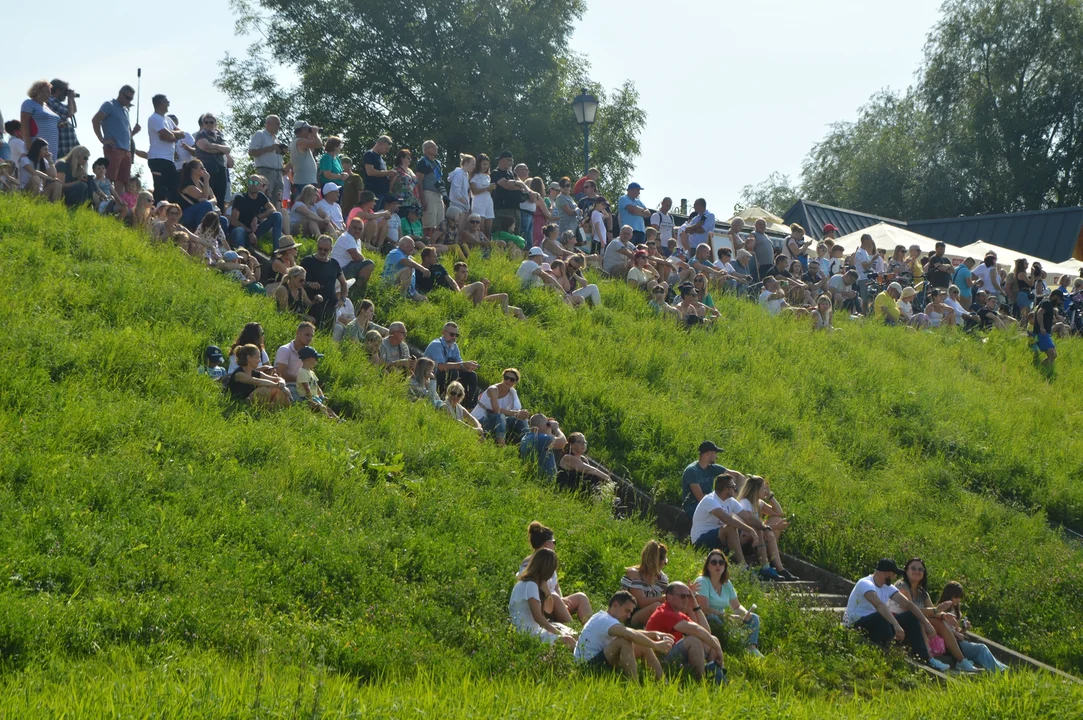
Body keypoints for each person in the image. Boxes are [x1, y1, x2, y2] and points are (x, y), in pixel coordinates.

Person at [843, 559, 950, 671]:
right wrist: (896, 625)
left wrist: (926, 623)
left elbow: (908, 604)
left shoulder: (887, 587)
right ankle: (891, 647)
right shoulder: (865, 583)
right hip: (858, 624)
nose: (894, 577)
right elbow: (879, 605)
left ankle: (927, 658)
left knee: (911, 615)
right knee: (881, 615)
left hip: (877, 624)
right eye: (893, 574)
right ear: (886, 573)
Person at [893, 559, 978, 672]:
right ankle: (929, 658)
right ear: (906, 571)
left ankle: (961, 660)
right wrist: (936, 612)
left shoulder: (922, 592)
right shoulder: (902, 585)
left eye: (920, 569)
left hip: (914, 623)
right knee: (920, 619)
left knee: (938, 622)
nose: (917, 571)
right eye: (913, 568)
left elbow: (933, 611)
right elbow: (911, 609)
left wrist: (943, 615)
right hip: (898, 622)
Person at [689, 473, 779, 579]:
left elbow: (748, 518)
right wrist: (749, 529)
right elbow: (727, 519)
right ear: (726, 490)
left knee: (757, 528)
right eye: (733, 487)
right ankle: (743, 567)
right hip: (701, 540)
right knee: (731, 528)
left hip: (720, 537)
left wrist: (764, 528)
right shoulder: (711, 500)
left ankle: (765, 567)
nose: (736, 489)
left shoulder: (730, 501)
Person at [573, 591, 672, 683]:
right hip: (587, 668)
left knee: (643, 645)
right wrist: (656, 645)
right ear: (615, 605)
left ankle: (664, 683)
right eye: (627, 610)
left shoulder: (604, 617)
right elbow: (628, 634)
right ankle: (634, 686)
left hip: (598, 661)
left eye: (630, 612)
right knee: (624, 641)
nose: (628, 616)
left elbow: (631, 632)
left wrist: (654, 634)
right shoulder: (605, 620)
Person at [644, 582, 726, 683]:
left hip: (672, 656)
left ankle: (715, 679)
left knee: (712, 640)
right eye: (683, 596)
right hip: (659, 663)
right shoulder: (664, 613)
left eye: (688, 596)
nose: (687, 600)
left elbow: (706, 632)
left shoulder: (678, 614)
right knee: (693, 641)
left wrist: (695, 605)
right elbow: (697, 630)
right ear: (669, 597)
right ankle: (701, 682)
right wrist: (719, 649)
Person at [692, 550, 763, 658]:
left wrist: (745, 613)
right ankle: (731, 646)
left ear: (725, 566)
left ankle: (751, 648)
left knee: (754, 618)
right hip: (706, 619)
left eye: (721, 562)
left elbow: (736, 606)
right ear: (708, 566)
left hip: (723, 618)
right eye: (714, 562)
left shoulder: (726, 583)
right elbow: (704, 608)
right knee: (713, 619)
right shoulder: (702, 581)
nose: (718, 565)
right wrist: (727, 617)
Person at [519, 522, 592, 623]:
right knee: (554, 597)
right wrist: (556, 599)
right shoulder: (529, 562)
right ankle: (573, 631)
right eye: (554, 542)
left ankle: (589, 629)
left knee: (581, 597)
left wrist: (561, 600)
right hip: (541, 604)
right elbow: (529, 584)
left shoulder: (549, 560)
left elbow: (556, 586)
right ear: (547, 543)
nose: (554, 545)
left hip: (555, 601)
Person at [508, 549, 577, 650]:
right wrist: (558, 632)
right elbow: (538, 618)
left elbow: (548, 610)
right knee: (568, 640)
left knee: (573, 635)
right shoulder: (530, 585)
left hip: (532, 629)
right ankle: (585, 662)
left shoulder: (532, 584)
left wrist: (548, 594)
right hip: (527, 632)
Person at [936, 582, 1010, 672]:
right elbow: (941, 629)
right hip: (949, 644)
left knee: (981, 648)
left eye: (959, 597)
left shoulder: (956, 611)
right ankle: (1000, 670)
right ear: (948, 596)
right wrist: (955, 633)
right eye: (956, 597)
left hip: (958, 642)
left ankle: (1003, 668)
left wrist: (964, 629)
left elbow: (958, 634)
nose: (958, 600)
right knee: (981, 648)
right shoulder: (940, 610)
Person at [735, 475, 795, 579]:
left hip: (755, 535)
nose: (766, 491)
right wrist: (775, 526)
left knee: (775, 519)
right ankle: (767, 567)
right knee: (765, 529)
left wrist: (771, 496)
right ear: (755, 490)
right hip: (742, 537)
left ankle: (780, 569)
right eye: (763, 488)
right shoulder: (745, 502)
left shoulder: (758, 503)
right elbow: (750, 525)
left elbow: (779, 513)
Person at [91, 85, 139, 189]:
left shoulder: (126, 110)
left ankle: (118, 203)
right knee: (110, 178)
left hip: (126, 150)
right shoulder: (109, 105)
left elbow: (127, 133)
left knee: (123, 180)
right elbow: (95, 120)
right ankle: (107, 201)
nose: (129, 101)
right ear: (121, 94)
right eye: (127, 98)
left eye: (131, 99)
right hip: (114, 148)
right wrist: (102, 139)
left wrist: (134, 132)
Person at [423, 322, 478, 406]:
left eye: (456, 335)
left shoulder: (454, 346)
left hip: (445, 374)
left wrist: (468, 366)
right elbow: (441, 366)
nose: (454, 338)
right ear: (443, 333)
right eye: (452, 334)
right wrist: (462, 365)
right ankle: (444, 399)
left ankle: (468, 403)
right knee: (452, 371)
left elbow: (460, 364)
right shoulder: (436, 345)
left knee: (471, 375)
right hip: (431, 375)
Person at [471, 368, 529, 446]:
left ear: (515, 382)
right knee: (500, 416)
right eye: (506, 378)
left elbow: (517, 409)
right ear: (503, 378)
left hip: (498, 422)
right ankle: (501, 445)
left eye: (511, 379)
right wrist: (515, 413)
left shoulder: (512, 392)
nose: (508, 381)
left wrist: (522, 414)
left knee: (522, 420)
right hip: (480, 419)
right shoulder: (493, 389)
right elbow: (496, 410)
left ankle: (527, 443)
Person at [301, 235, 349, 326]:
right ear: (317, 246)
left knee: (328, 333)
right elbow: (297, 281)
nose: (322, 252)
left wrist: (342, 299)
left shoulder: (334, 263)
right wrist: (308, 284)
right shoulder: (307, 261)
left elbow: (344, 283)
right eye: (320, 248)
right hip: (312, 304)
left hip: (330, 306)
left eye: (325, 250)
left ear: (331, 249)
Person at [620, 540, 670, 627]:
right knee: (657, 606)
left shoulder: (662, 579)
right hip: (629, 614)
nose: (665, 565)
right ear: (657, 563)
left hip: (646, 615)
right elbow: (641, 603)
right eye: (665, 562)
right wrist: (662, 598)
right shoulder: (634, 574)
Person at [145, 95, 184, 203]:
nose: (169, 103)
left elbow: (182, 133)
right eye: (167, 101)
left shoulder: (168, 120)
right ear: (161, 102)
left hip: (169, 160)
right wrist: (171, 135)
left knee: (174, 189)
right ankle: (158, 215)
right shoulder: (154, 118)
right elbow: (168, 137)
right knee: (160, 189)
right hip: (157, 158)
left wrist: (170, 134)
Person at [229, 175, 283, 250]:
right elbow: (234, 221)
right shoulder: (240, 198)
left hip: (254, 231)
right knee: (239, 230)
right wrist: (250, 232)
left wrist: (257, 217)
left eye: (256, 183)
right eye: (251, 182)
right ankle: (241, 255)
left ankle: (277, 251)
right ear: (248, 184)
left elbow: (272, 209)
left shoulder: (261, 196)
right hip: (240, 231)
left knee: (277, 215)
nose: (253, 184)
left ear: (261, 186)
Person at [227, 343, 291, 407]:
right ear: (249, 358)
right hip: (241, 404)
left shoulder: (255, 372)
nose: (259, 360)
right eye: (258, 357)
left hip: (252, 402)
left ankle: (272, 412)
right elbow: (257, 381)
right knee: (263, 390)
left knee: (280, 391)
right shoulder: (239, 374)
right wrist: (277, 385)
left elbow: (277, 379)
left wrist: (282, 383)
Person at [192, 114, 231, 212]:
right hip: (206, 169)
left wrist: (214, 146)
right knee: (208, 196)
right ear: (203, 124)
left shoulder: (220, 136)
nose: (209, 124)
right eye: (206, 122)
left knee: (220, 196)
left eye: (211, 122)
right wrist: (220, 148)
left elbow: (228, 149)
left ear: (215, 123)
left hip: (221, 169)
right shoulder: (200, 135)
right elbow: (207, 148)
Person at [247, 115, 285, 207]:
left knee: (278, 199)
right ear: (268, 124)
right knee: (266, 197)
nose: (279, 126)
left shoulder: (276, 139)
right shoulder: (260, 135)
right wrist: (270, 148)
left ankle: (276, 217)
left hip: (278, 173)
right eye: (277, 124)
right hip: (266, 171)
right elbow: (252, 152)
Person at [330, 217, 376, 291]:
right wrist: (365, 264)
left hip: (345, 269)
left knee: (367, 264)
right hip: (338, 272)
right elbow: (356, 257)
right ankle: (357, 289)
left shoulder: (357, 240)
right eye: (355, 228)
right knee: (369, 264)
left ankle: (355, 288)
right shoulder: (347, 237)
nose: (357, 231)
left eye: (360, 229)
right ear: (349, 227)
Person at [22, 81, 62, 161]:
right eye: (47, 92)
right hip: (37, 147)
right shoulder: (29, 103)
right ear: (38, 91)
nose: (49, 95)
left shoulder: (46, 107)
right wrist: (30, 147)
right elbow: (24, 125)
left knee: (51, 171)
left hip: (52, 147)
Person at [519, 414, 567, 480]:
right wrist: (556, 428)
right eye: (547, 424)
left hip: (533, 477)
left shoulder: (526, 437)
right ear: (539, 424)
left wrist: (549, 429)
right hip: (544, 480)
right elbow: (562, 442)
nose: (548, 426)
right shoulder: (540, 438)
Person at [296, 346, 339, 420]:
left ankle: (337, 419)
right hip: (306, 398)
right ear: (308, 359)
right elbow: (307, 388)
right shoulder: (302, 372)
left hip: (315, 396)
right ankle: (329, 419)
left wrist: (322, 396)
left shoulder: (311, 372)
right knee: (322, 407)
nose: (317, 360)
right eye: (316, 358)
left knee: (327, 408)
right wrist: (311, 401)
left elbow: (317, 386)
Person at [415, 140, 445, 238]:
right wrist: (422, 199)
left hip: (438, 194)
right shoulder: (422, 162)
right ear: (426, 149)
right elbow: (419, 181)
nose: (436, 148)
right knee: (429, 223)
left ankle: (435, 244)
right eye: (433, 146)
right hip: (428, 193)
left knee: (440, 222)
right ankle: (427, 244)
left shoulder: (437, 163)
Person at [491, 151, 526, 233]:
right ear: (501, 160)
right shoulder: (496, 173)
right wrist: (518, 187)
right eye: (509, 160)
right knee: (504, 234)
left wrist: (516, 183)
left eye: (512, 161)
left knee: (516, 235)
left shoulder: (512, 174)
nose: (511, 163)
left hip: (516, 209)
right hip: (502, 210)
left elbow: (522, 185)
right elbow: (506, 186)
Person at [288, 121, 322, 202]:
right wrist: (315, 133)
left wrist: (311, 136)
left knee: (309, 204)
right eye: (308, 130)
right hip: (304, 181)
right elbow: (319, 144)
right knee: (305, 204)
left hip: (306, 180)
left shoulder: (298, 142)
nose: (309, 132)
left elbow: (312, 150)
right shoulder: (299, 141)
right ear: (303, 130)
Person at [45, 79, 79, 159]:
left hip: (68, 143)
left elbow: (73, 111)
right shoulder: (51, 101)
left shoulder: (56, 102)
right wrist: (70, 98)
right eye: (65, 91)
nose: (65, 94)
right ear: (58, 90)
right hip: (62, 144)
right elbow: (69, 113)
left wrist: (72, 98)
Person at [1032, 289, 1064, 369]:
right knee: (1051, 355)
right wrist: (1042, 327)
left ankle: (1047, 370)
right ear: (1055, 296)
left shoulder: (1047, 303)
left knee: (1054, 355)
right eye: (1059, 299)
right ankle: (1041, 370)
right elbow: (1039, 313)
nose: (1059, 302)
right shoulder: (1047, 303)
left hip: (1045, 333)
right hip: (1040, 333)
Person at [362, 135, 396, 208]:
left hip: (383, 193)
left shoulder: (381, 159)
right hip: (373, 193)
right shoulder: (370, 154)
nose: (387, 151)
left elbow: (382, 174)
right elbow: (370, 172)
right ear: (380, 143)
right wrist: (387, 173)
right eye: (386, 148)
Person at [468, 153, 496, 236]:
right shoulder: (474, 176)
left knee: (489, 226)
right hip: (479, 202)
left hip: (488, 201)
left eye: (487, 164)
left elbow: (489, 191)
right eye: (483, 164)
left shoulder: (488, 177)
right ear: (479, 164)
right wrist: (487, 188)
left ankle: (487, 245)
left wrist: (491, 188)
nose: (485, 166)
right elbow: (474, 191)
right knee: (481, 226)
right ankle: (479, 244)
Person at [447, 153, 474, 231]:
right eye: (472, 164)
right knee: (457, 228)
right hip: (457, 205)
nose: (474, 167)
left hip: (463, 206)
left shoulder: (465, 175)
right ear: (466, 163)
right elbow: (456, 192)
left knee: (462, 227)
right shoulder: (459, 174)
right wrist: (465, 202)